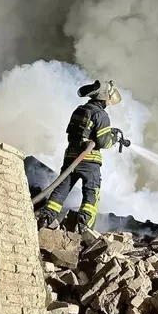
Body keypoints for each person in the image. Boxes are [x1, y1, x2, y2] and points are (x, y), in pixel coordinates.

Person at [37, 80, 130, 233]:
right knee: (91, 194)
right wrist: (114, 138)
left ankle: (45, 219)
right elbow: (103, 142)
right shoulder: (101, 115)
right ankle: (84, 228)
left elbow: (79, 132)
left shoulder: (79, 110)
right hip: (89, 161)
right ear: (104, 97)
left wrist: (108, 132)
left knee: (61, 190)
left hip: (71, 158)